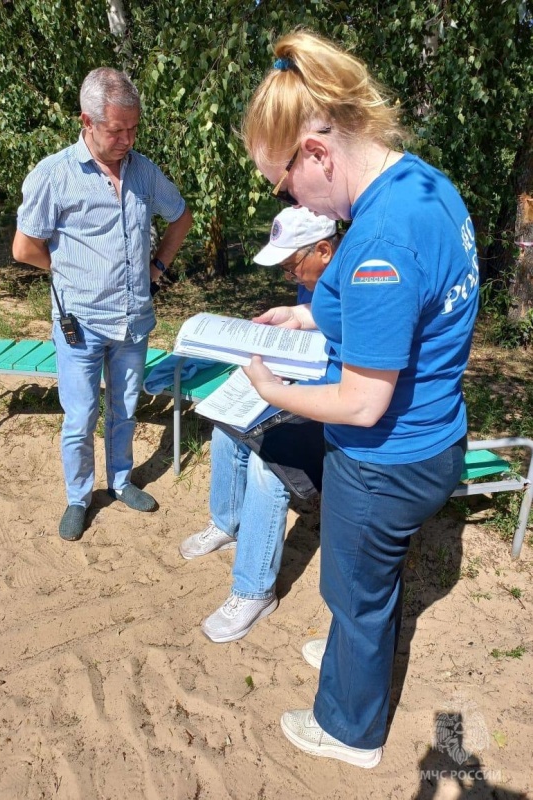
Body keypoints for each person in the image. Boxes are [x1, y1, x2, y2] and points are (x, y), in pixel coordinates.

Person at [241, 31, 479, 768]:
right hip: (434, 437)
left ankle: (348, 729)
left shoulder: (378, 238)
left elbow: (363, 403)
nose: (290, 199)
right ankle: (355, 646)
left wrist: (271, 388)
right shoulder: (422, 184)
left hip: (387, 457)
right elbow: (413, 311)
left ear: (316, 153)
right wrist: (310, 315)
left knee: (356, 585)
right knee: (368, 583)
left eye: (282, 185)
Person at [13, 68, 192, 541]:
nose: (126, 140)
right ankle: (78, 497)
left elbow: (181, 216)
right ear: (86, 122)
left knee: (125, 408)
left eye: (133, 129)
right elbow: (24, 247)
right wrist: (72, 273)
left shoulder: (143, 170)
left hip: (134, 321)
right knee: (80, 418)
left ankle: (120, 481)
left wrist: (159, 268)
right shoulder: (54, 174)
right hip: (81, 323)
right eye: (117, 130)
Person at [179, 206, 339, 643]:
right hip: (300, 391)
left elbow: (346, 378)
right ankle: (227, 523)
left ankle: (254, 590)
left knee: (267, 467)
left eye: (292, 266)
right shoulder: (318, 284)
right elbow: (311, 332)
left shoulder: (356, 284)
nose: (290, 275)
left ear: (324, 250)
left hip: (333, 411)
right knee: (226, 427)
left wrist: (281, 382)